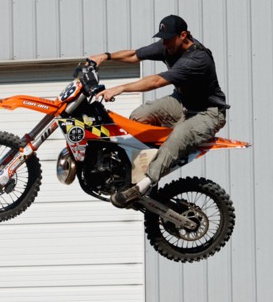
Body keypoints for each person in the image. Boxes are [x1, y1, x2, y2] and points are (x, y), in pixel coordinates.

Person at [88, 14, 229, 207]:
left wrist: (120, 88)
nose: (165, 43)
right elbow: (134, 55)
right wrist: (106, 56)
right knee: (139, 116)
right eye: (163, 38)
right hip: (182, 103)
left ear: (183, 35)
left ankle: (144, 185)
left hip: (209, 112)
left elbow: (156, 81)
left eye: (169, 38)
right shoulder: (167, 46)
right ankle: (138, 169)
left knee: (179, 135)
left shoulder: (197, 58)